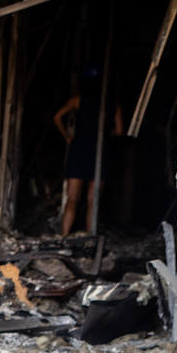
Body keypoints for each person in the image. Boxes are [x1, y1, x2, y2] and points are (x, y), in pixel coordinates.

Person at [53, 65, 122, 236]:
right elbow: (120, 131)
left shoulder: (78, 100)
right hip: (100, 151)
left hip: (79, 150)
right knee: (93, 201)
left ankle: (63, 236)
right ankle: (90, 237)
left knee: (72, 199)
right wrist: (105, 135)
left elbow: (57, 117)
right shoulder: (113, 105)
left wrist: (67, 137)